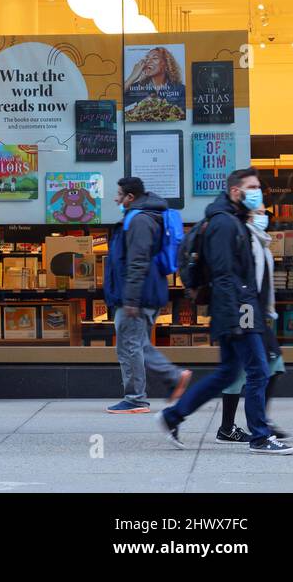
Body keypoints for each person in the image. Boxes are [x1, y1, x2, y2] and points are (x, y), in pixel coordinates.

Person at [161, 168, 293, 454]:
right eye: (253, 186)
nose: (258, 192)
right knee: (257, 371)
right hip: (237, 310)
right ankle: (260, 437)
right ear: (236, 191)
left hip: (238, 309)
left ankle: (173, 415)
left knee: (227, 373)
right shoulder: (224, 224)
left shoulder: (233, 221)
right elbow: (224, 275)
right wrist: (239, 316)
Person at [103, 176, 190, 413]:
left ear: (130, 197)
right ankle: (165, 381)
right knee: (135, 343)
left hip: (137, 295)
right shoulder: (142, 217)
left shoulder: (140, 220)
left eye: (119, 194)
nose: (115, 198)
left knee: (131, 345)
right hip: (140, 292)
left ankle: (138, 397)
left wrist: (130, 299)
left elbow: (138, 262)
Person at [217, 204, 288, 443]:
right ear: (248, 215)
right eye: (258, 213)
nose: (263, 217)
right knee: (248, 368)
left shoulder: (262, 242)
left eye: (263, 213)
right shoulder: (247, 239)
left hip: (256, 314)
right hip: (246, 312)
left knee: (272, 364)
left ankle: (254, 422)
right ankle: (238, 426)